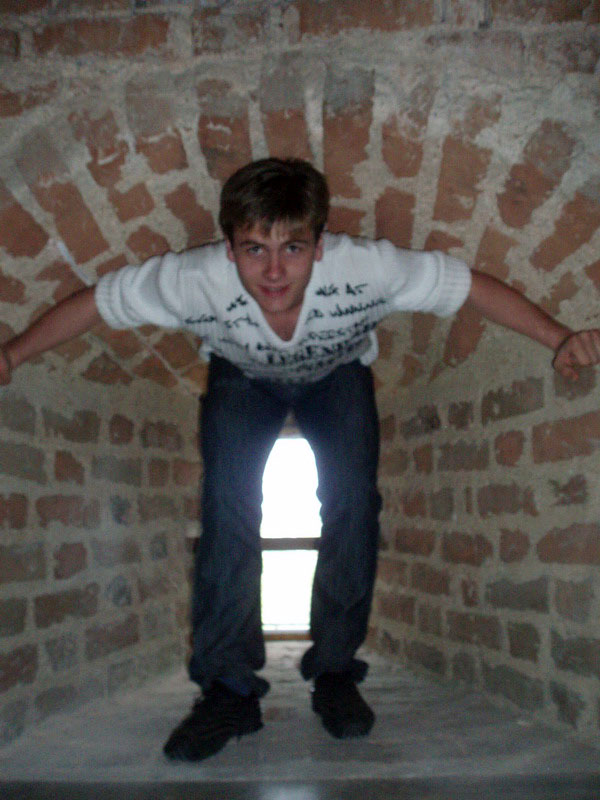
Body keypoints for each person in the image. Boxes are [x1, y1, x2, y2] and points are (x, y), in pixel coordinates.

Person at [1, 158, 600, 763]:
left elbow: (467, 286)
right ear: (229, 250)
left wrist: (559, 339)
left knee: (353, 503)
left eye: (292, 247)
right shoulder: (191, 280)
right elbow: (99, 303)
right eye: (254, 249)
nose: (274, 270)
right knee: (228, 507)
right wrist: (12, 356)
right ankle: (229, 689)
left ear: (320, 245)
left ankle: (335, 672)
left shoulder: (367, 268)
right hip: (243, 377)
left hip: (337, 375)